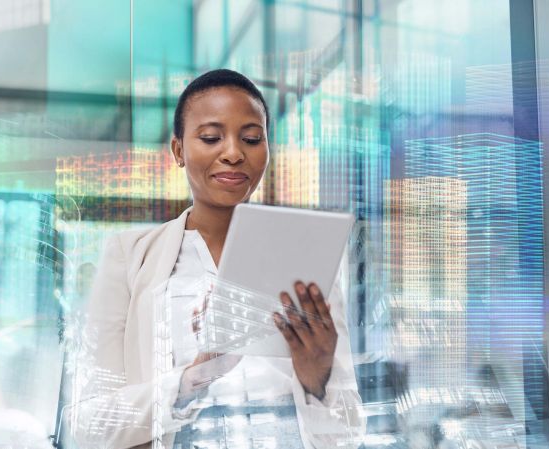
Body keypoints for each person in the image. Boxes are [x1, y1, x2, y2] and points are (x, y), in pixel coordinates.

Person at [68, 69, 365, 448]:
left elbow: (348, 434)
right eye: (210, 137)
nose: (233, 153)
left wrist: (318, 383)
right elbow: (90, 424)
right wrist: (190, 380)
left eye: (252, 139)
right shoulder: (130, 257)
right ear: (178, 150)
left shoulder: (307, 264)